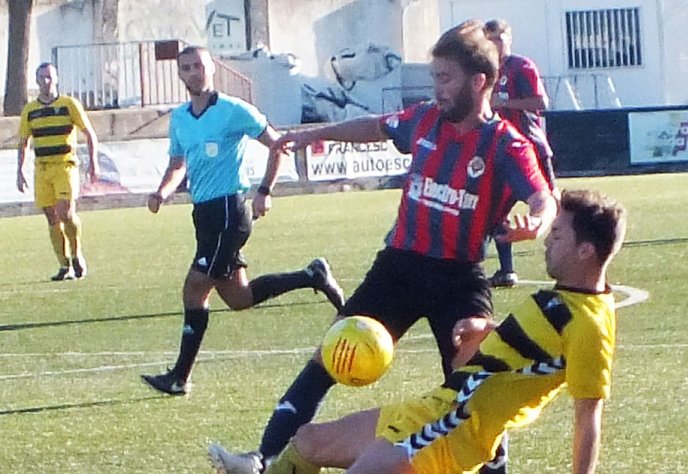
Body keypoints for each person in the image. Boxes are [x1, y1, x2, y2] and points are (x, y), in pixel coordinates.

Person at [208, 21, 557, 474]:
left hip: (458, 275)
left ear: (480, 81)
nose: (437, 89)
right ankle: (264, 457)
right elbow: (376, 127)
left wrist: (538, 221)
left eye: (445, 78)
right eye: (434, 77)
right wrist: (317, 134)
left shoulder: (505, 144)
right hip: (398, 266)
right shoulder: (425, 120)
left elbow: (542, 196)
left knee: (474, 383)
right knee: (331, 354)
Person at [257, 189, 627, 474]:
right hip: (434, 410)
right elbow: (539, 355)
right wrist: (489, 330)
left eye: (558, 235)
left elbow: (588, 415)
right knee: (307, 442)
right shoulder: (566, 298)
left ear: (585, 252)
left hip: (454, 431)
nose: (547, 240)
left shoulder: (591, 325)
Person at [140, 46, 345, 396]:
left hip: (228, 212)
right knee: (238, 297)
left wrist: (265, 190)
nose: (193, 72)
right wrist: (163, 191)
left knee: (194, 288)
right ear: (180, 74)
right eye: (186, 68)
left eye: (198, 66)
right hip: (204, 214)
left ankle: (179, 377)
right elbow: (178, 163)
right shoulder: (180, 118)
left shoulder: (233, 109)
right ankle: (312, 275)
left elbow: (276, 143)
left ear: (212, 69)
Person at [483, 19, 558, 289]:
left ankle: (570, 260)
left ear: (509, 38)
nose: (495, 44)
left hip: (531, 149)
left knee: (553, 208)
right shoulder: (485, 71)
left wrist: (504, 102)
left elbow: (541, 103)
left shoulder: (521, 66)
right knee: (492, 211)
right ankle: (506, 270)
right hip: (500, 152)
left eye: (499, 39)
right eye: (490, 40)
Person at [17, 62, 99, 281]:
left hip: (65, 165)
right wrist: (20, 170)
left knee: (66, 213)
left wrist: (93, 162)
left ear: (57, 79)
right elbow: (24, 142)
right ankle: (64, 266)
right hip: (42, 169)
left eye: (49, 77)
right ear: (36, 81)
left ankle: (76, 254)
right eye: (42, 78)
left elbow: (89, 134)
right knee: (51, 217)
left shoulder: (68, 104)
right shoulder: (30, 110)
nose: (46, 82)